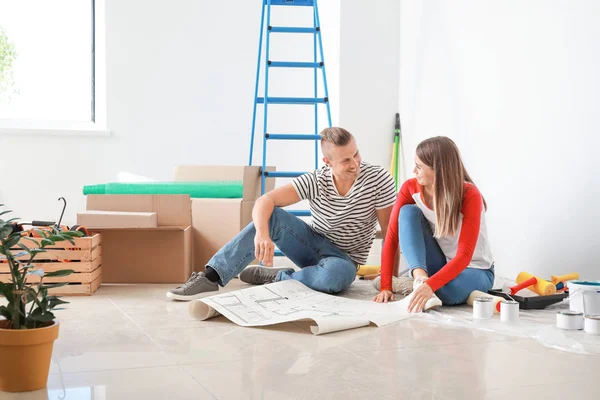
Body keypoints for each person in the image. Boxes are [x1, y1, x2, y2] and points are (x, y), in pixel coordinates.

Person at [167, 127, 397, 301]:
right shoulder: (316, 179)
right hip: (311, 246)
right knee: (271, 216)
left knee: (335, 278)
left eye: (356, 154)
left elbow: (390, 233)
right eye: (346, 160)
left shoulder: (378, 179)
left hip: (344, 260)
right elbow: (265, 200)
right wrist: (262, 234)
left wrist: (388, 281)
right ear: (327, 162)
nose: (355, 163)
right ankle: (210, 277)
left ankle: (278, 277)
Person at [373, 136, 494, 313]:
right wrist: (386, 285)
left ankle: (416, 285)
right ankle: (419, 279)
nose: (414, 170)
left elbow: (464, 256)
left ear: (439, 170)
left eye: (420, 166)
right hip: (441, 263)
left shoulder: (469, 195)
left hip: (476, 269)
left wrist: (432, 285)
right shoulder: (410, 188)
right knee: (407, 212)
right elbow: (391, 236)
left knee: (446, 291)